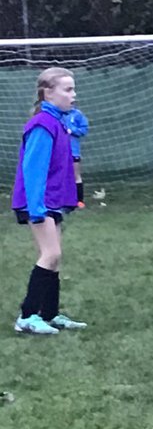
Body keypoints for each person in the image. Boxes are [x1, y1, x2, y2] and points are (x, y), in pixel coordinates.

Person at [11, 67, 88, 335]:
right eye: (68, 89)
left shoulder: (59, 122)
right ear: (48, 93)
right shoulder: (43, 124)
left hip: (51, 202)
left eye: (73, 89)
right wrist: (36, 209)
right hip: (39, 203)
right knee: (50, 254)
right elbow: (33, 170)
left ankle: (50, 314)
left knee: (55, 257)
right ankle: (27, 316)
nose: (73, 95)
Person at [64, 104, 89, 209]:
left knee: (76, 175)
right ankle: (64, 200)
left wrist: (72, 130)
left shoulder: (77, 114)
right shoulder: (58, 115)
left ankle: (79, 200)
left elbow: (84, 130)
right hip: (60, 151)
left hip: (74, 151)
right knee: (61, 175)